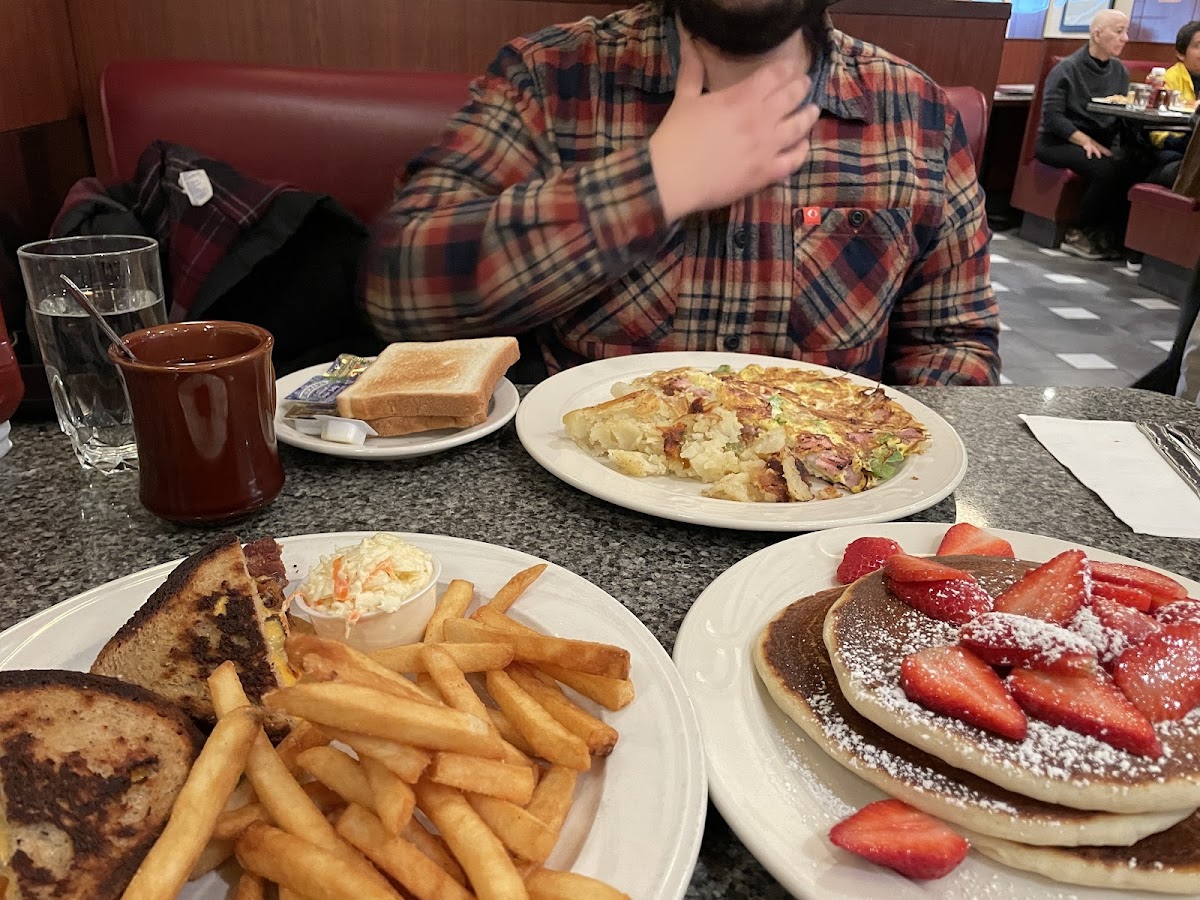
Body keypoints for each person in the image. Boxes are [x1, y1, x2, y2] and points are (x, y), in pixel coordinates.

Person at [364, 0, 999, 386]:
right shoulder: (550, 74)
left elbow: (954, 341)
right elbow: (397, 289)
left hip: (824, 519)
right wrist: (656, 182)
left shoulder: (917, 112)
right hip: (577, 498)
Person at [1035, 10, 1141, 261]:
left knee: (1133, 164)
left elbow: (1119, 115)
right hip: (1058, 141)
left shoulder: (1120, 72)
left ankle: (1114, 235)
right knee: (1105, 170)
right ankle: (1078, 232)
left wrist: (1117, 147)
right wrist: (1085, 140)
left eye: (1126, 32)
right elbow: (1052, 117)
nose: (1125, 38)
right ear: (1097, 33)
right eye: (1118, 32)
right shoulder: (1066, 69)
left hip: (1099, 142)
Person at [1147, 21, 1200, 189]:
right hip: (1170, 151)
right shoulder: (1166, 80)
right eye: (1198, 46)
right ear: (1181, 53)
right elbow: (1155, 131)